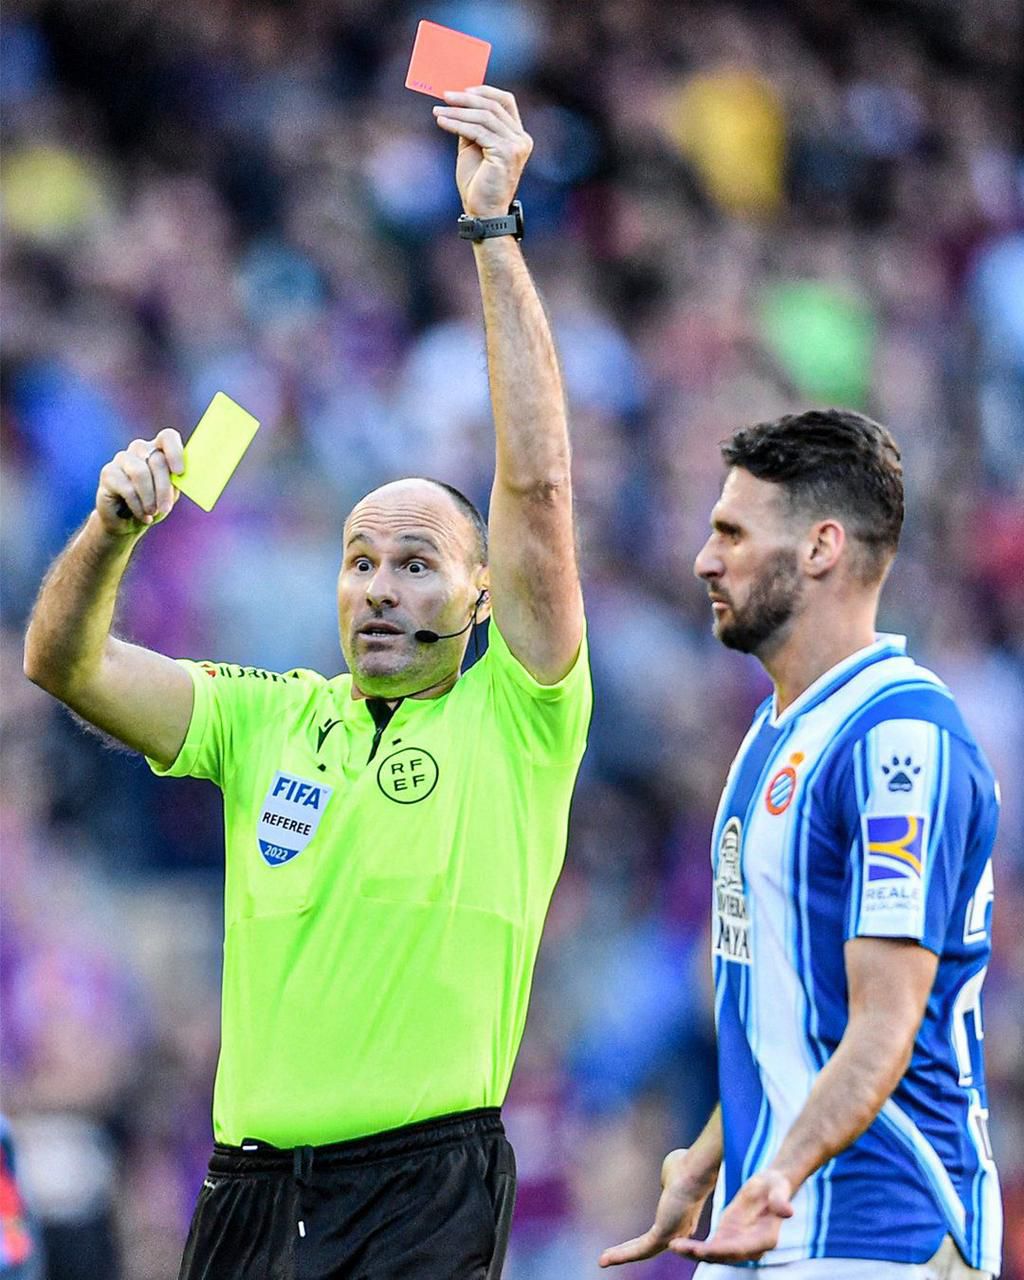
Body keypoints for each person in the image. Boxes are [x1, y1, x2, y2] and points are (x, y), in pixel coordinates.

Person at [23, 86, 591, 1280]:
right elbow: (61, 663)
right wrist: (111, 531)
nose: (381, 587)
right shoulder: (264, 714)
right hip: (248, 1190)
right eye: (360, 562)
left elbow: (534, 488)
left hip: (423, 1188)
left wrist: (491, 233)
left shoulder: (523, 712)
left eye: (419, 563)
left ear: (483, 594)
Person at [600, 409, 1001, 1280]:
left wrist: (773, 1174)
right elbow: (786, 1020)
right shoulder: (768, 735)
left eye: (732, 533)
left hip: (877, 1231)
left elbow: (885, 1023)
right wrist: (713, 1156)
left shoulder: (902, 740)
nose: (706, 560)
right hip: (766, 1223)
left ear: (820, 548)